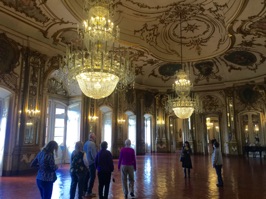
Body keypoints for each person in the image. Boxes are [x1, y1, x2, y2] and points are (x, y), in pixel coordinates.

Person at [84, 133, 97, 197]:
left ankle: (85, 190)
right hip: (91, 163)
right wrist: (96, 161)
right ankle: (89, 192)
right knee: (92, 177)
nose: (95, 138)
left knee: (87, 177)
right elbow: (94, 155)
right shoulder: (92, 144)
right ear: (92, 137)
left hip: (86, 163)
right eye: (95, 137)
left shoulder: (86, 143)